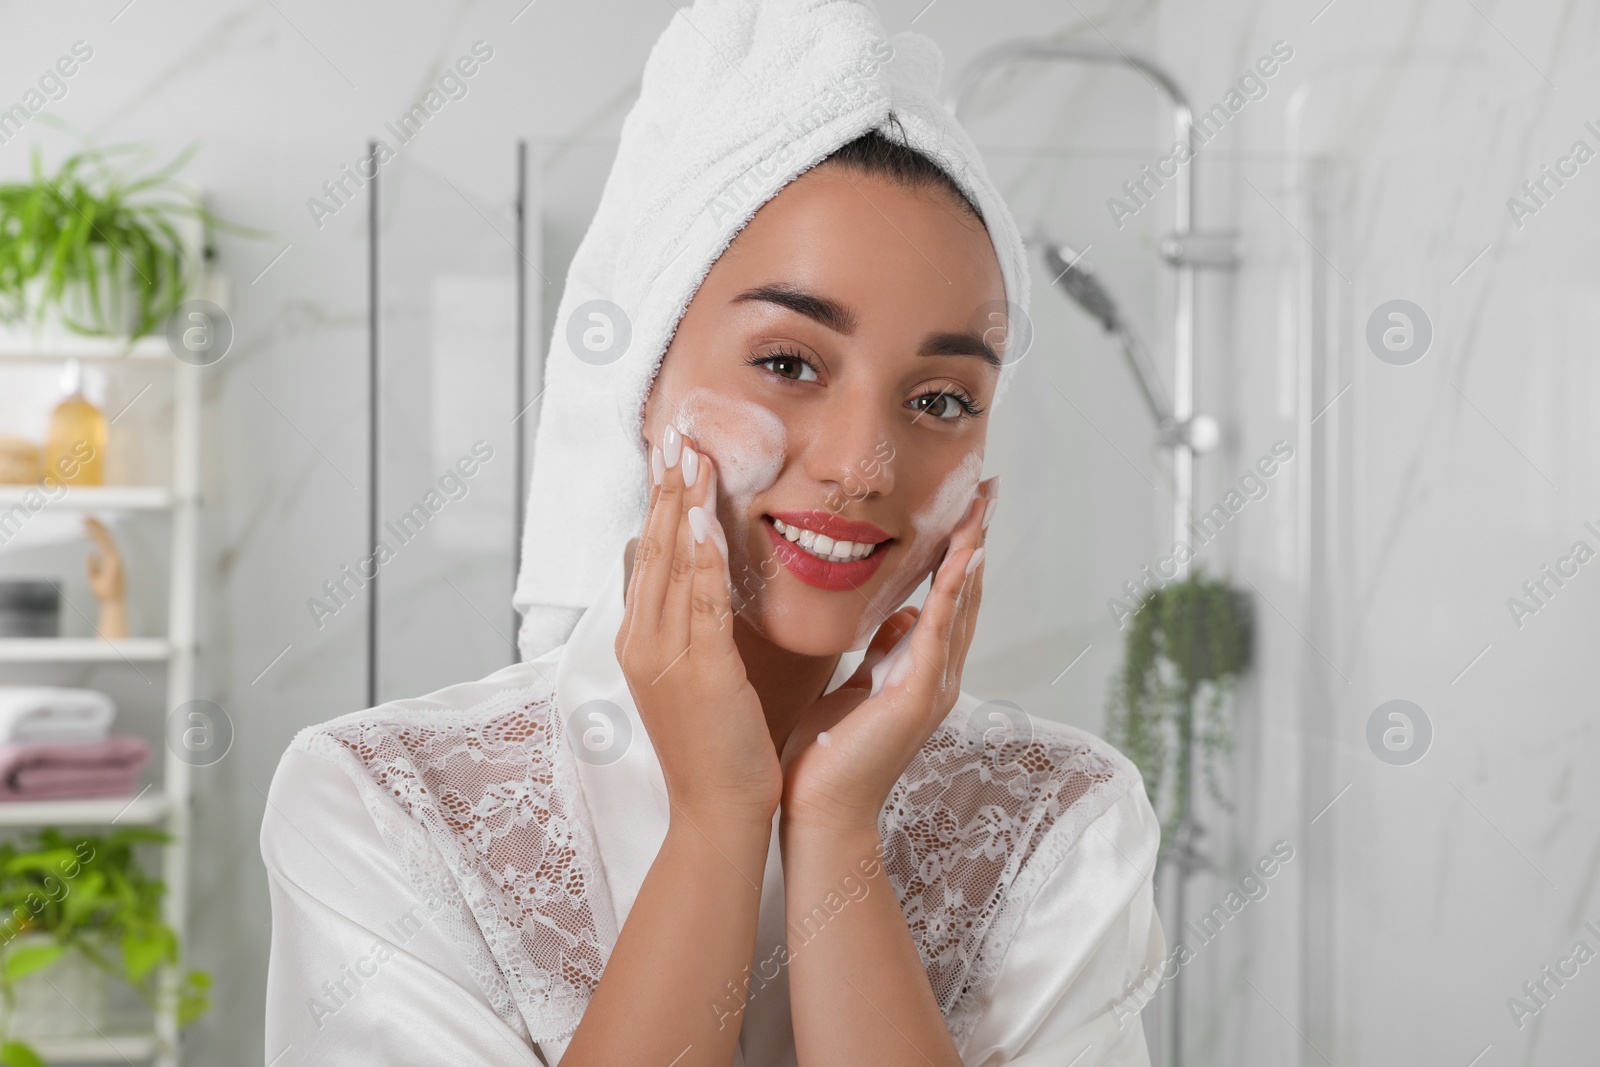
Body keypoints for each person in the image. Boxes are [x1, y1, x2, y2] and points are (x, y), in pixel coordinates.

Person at [263, 3, 1164, 1065]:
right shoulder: (382, 800)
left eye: (939, 399)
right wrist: (717, 818)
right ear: (639, 388)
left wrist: (832, 826)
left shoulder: (1063, 816)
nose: (862, 463)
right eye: (788, 363)